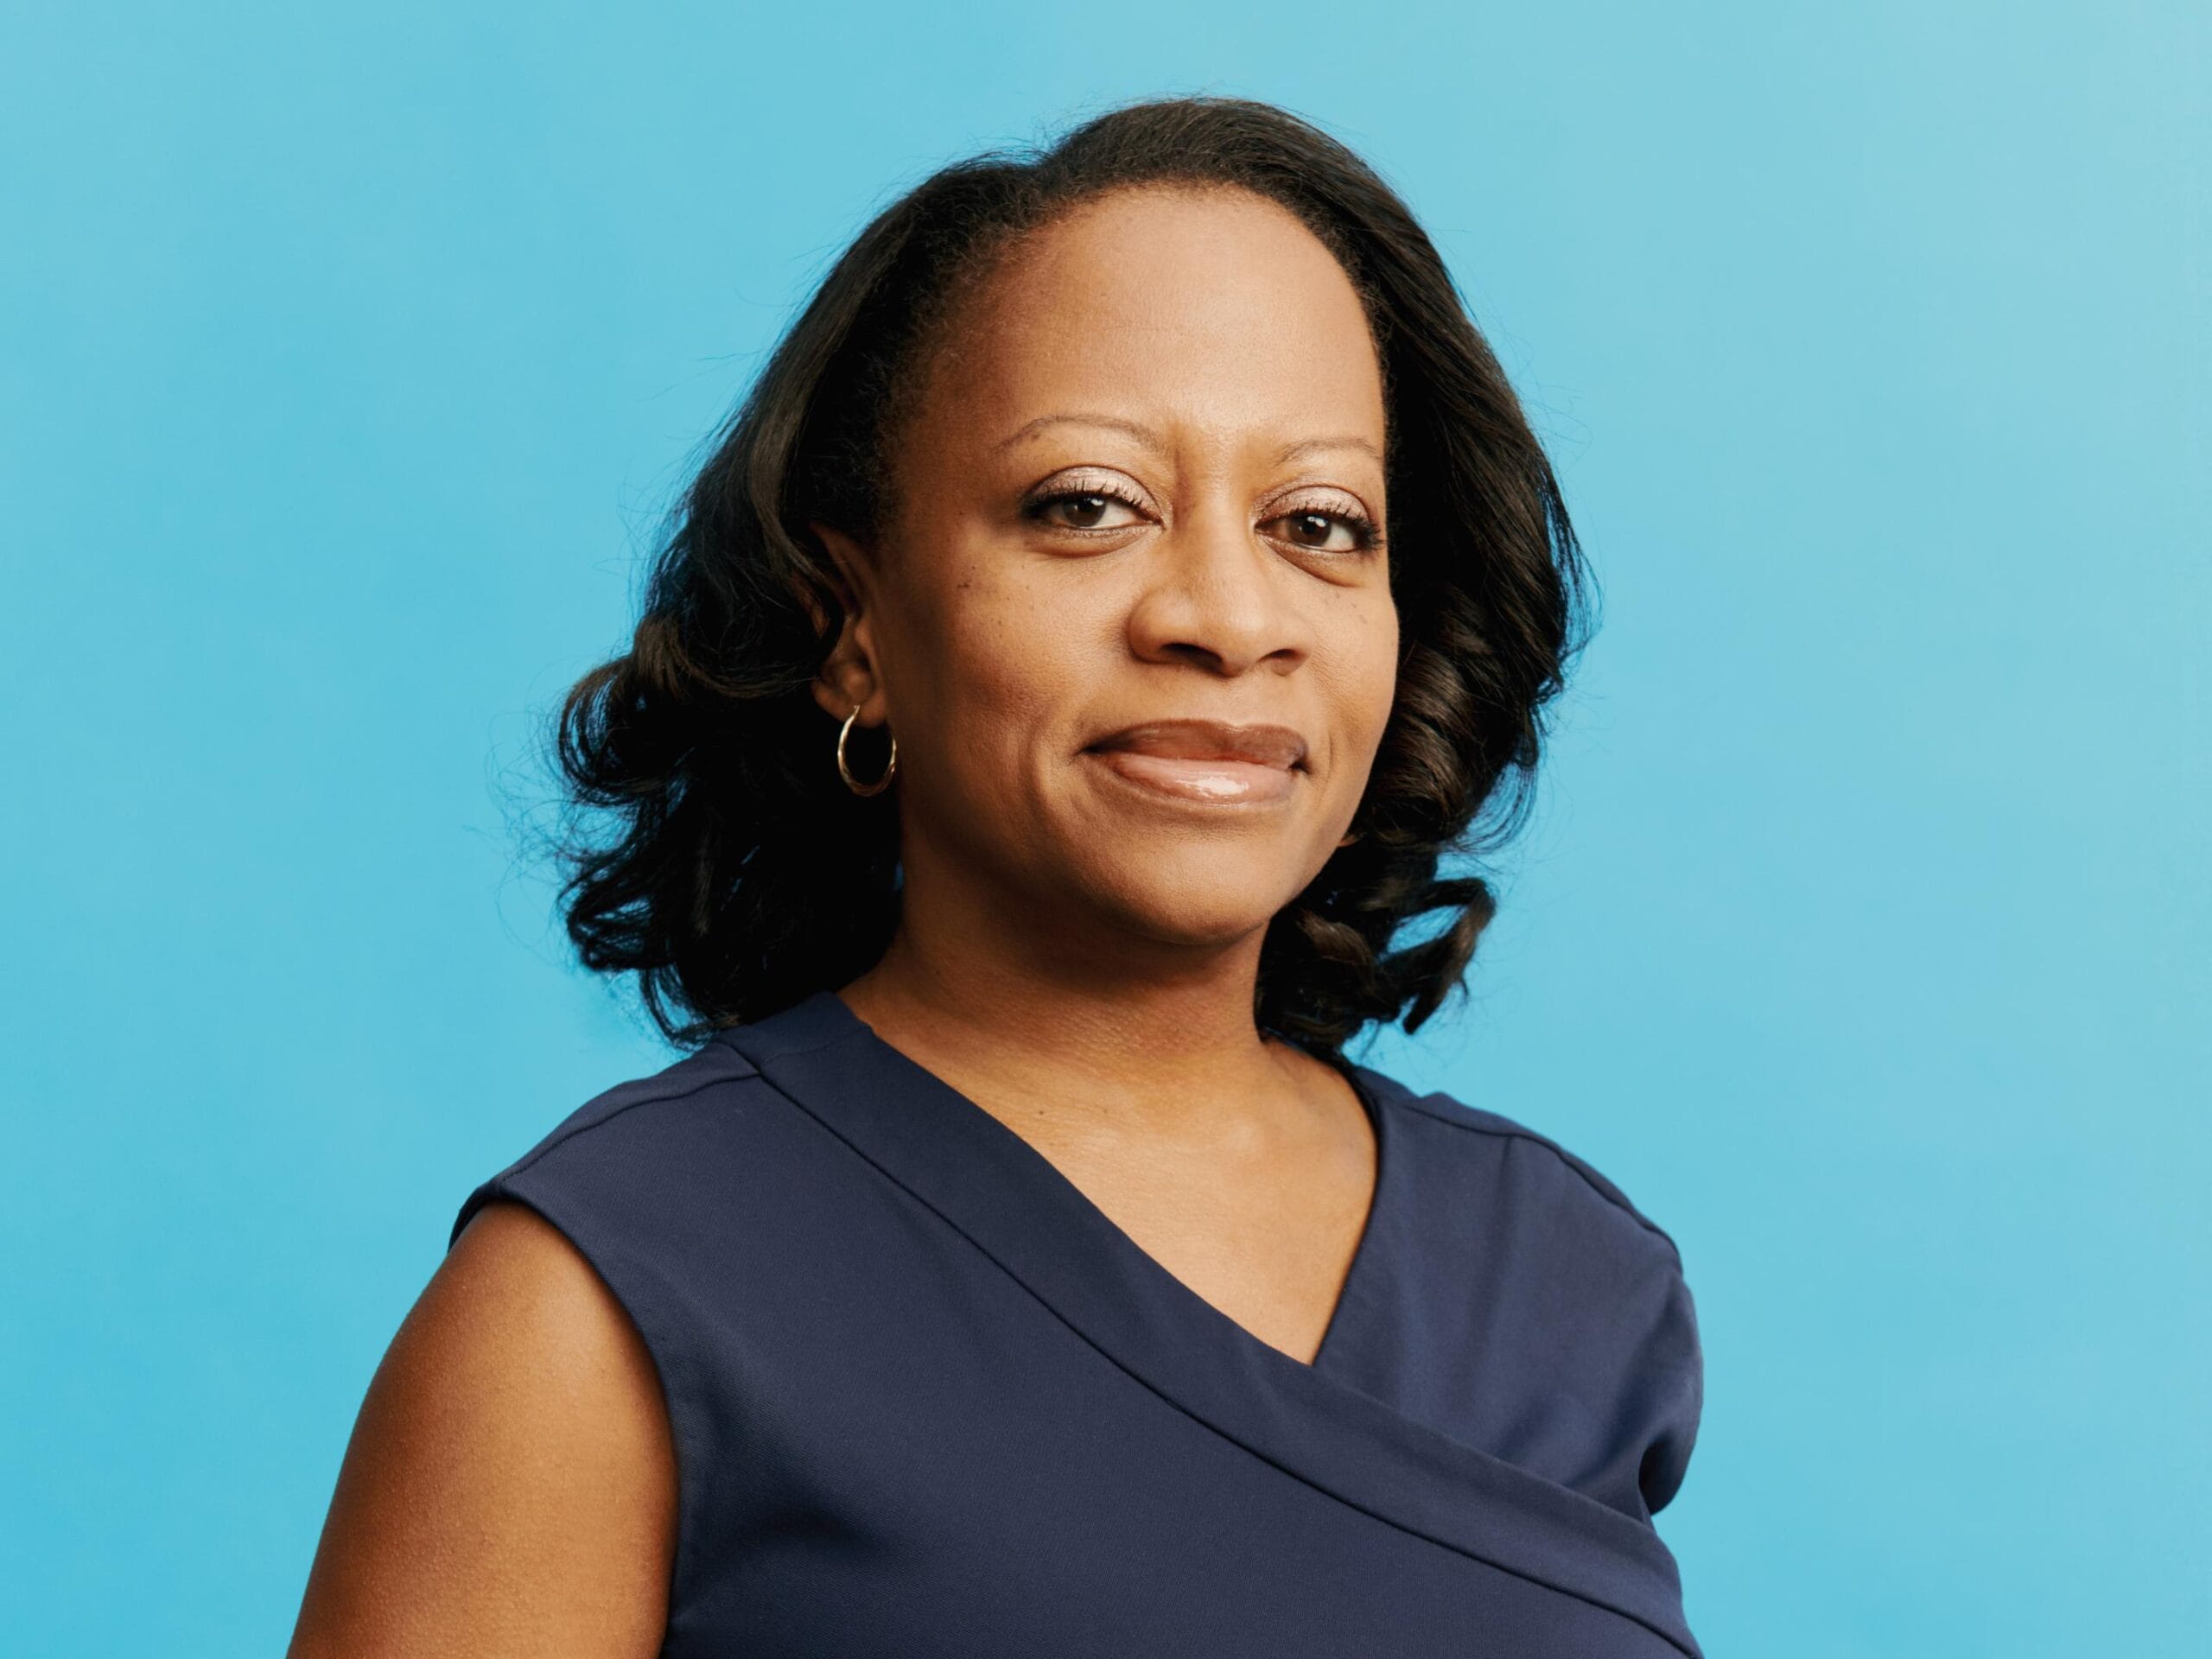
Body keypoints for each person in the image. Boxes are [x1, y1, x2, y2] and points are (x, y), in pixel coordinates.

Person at [288, 94, 1705, 1658]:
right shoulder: (596, 1308)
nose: (1230, 618)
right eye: (1087, 506)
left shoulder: (1574, 1283)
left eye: (1319, 524)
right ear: (855, 631)